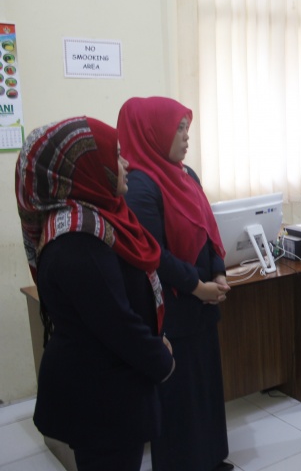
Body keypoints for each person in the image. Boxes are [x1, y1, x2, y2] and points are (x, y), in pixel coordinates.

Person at [15, 117, 174, 471]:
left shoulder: (97, 218)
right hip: (101, 400)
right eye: (115, 155)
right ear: (88, 168)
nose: (125, 163)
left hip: (108, 386)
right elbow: (117, 323)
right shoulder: (78, 241)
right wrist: (160, 358)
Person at [117, 97, 233, 471]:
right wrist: (198, 287)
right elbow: (155, 254)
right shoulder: (139, 185)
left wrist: (218, 271)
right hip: (174, 306)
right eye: (178, 128)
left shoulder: (186, 174)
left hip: (202, 299)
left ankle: (211, 458)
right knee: (180, 396)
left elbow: (208, 228)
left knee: (205, 387)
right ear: (153, 133)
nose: (186, 137)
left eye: (186, 128)